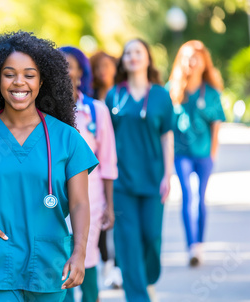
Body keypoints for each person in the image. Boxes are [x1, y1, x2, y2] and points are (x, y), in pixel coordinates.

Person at [0, 31, 99, 302]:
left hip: (48, 264)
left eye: (29, 74)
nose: (19, 82)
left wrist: (79, 252)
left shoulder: (67, 139)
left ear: (43, 81)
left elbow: (79, 204)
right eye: (9, 74)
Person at [105, 39, 174, 302]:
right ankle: (138, 295)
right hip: (122, 182)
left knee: (151, 237)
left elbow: (167, 137)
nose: (132, 57)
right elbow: (106, 138)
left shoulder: (160, 95)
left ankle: (146, 280)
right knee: (128, 240)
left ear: (147, 59)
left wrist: (168, 175)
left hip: (153, 179)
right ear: (123, 61)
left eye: (138, 52)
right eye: (128, 53)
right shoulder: (114, 96)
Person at [59, 46, 118, 302]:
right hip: (54, 203)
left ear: (81, 72)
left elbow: (108, 163)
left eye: (69, 65)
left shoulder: (97, 111)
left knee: (87, 257)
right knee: (60, 260)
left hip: (90, 201)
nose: (64, 71)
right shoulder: (43, 113)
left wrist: (109, 205)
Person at [168, 40, 226, 267]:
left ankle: (199, 245)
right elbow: (165, 127)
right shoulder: (171, 90)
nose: (192, 62)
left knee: (200, 198)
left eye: (196, 58)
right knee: (187, 195)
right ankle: (191, 246)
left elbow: (216, 127)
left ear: (204, 63)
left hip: (203, 154)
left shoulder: (211, 93)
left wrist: (212, 155)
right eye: (187, 57)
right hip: (181, 154)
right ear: (181, 61)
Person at [89, 50, 122, 288]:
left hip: (115, 165)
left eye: (107, 66)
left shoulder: (120, 95)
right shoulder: (89, 100)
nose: (103, 71)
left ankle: (114, 264)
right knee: (96, 225)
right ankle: (105, 263)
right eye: (98, 66)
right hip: (97, 171)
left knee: (113, 218)